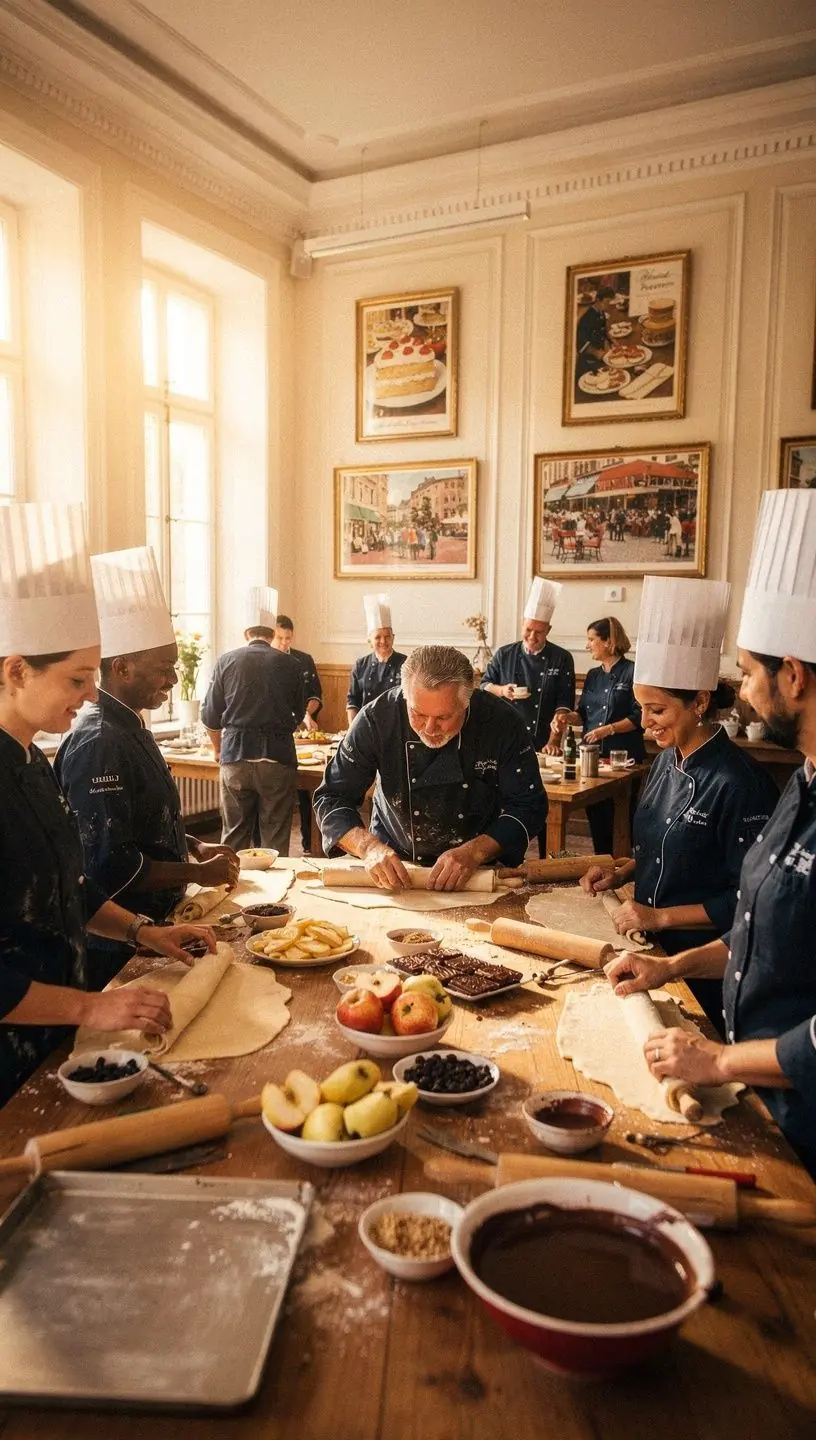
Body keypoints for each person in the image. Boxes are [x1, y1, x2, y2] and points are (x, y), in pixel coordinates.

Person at [605, 491, 816, 1177]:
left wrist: (721, 1059)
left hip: (800, 1117)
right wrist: (669, 967)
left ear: (794, 676)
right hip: (757, 1089)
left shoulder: (747, 782)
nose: (743, 692)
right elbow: (757, 927)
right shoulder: (804, 784)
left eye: (749, 673)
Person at [0, 504, 215, 1107]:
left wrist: (145, 930)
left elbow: (70, 884)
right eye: (76, 679)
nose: (91, 694)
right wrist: (89, 1006)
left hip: (56, 1036)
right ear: (16, 671)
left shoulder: (31, 761)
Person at [582, 577, 778, 1026]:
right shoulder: (666, 762)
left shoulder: (740, 784)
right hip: (651, 951)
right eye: (641, 709)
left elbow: (745, 900)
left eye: (657, 710)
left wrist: (658, 917)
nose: (645, 723)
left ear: (700, 702)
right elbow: (664, 849)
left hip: (704, 966)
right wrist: (621, 873)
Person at [55, 547, 239, 988]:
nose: (173, 680)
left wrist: (194, 845)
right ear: (121, 668)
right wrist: (197, 874)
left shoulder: (130, 724)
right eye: (164, 669)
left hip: (157, 927)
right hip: (115, 945)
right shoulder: (99, 743)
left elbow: (140, 822)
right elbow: (109, 863)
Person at [314, 646, 546, 890]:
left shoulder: (503, 723)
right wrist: (368, 848)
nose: (429, 728)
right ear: (405, 695)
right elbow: (332, 797)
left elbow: (528, 806)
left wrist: (476, 852)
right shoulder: (376, 719)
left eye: (443, 718)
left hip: (479, 870)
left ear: (467, 702)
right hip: (393, 867)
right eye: (418, 714)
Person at [202, 586, 306, 855]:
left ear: (246, 633)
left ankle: (230, 879)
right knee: (275, 839)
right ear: (272, 634)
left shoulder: (226, 661)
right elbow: (298, 714)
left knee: (233, 836)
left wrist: (218, 749)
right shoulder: (292, 665)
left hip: (235, 755)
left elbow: (210, 716)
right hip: (277, 757)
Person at [551, 616, 645, 854]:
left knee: (622, 817)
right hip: (592, 758)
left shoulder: (633, 672)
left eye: (591, 639)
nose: (587, 645)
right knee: (596, 815)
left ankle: (623, 865)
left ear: (608, 641)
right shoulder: (593, 675)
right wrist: (566, 717)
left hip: (623, 759)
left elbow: (639, 717)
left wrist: (609, 729)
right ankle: (602, 861)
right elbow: (583, 714)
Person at [481, 577, 576, 770]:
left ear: (548, 630)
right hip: (505, 736)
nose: (532, 636)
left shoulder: (561, 657)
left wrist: (554, 740)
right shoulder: (504, 654)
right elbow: (484, 686)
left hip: (544, 740)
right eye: (529, 629)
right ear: (522, 624)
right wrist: (502, 690)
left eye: (539, 632)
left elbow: (564, 703)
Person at [272, 612, 324, 855]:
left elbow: (315, 695)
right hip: (277, 734)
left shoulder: (304, 660)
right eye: (280, 638)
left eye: (288, 638)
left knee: (307, 790)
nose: (284, 643)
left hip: (304, 732)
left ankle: (308, 844)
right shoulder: (266, 663)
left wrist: (306, 715)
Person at [346, 594, 407, 728]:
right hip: (366, 726)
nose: (383, 641)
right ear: (369, 640)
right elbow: (353, 701)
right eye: (378, 637)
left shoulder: (406, 664)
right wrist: (353, 729)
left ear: (393, 638)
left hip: (397, 727)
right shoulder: (360, 665)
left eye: (387, 636)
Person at [575, 285, 615, 381]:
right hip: (587, 362)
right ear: (598, 300)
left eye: (610, 302)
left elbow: (603, 330)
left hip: (599, 356)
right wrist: (596, 352)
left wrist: (613, 341)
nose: (609, 305)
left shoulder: (601, 312)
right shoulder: (586, 318)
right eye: (607, 302)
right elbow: (580, 343)